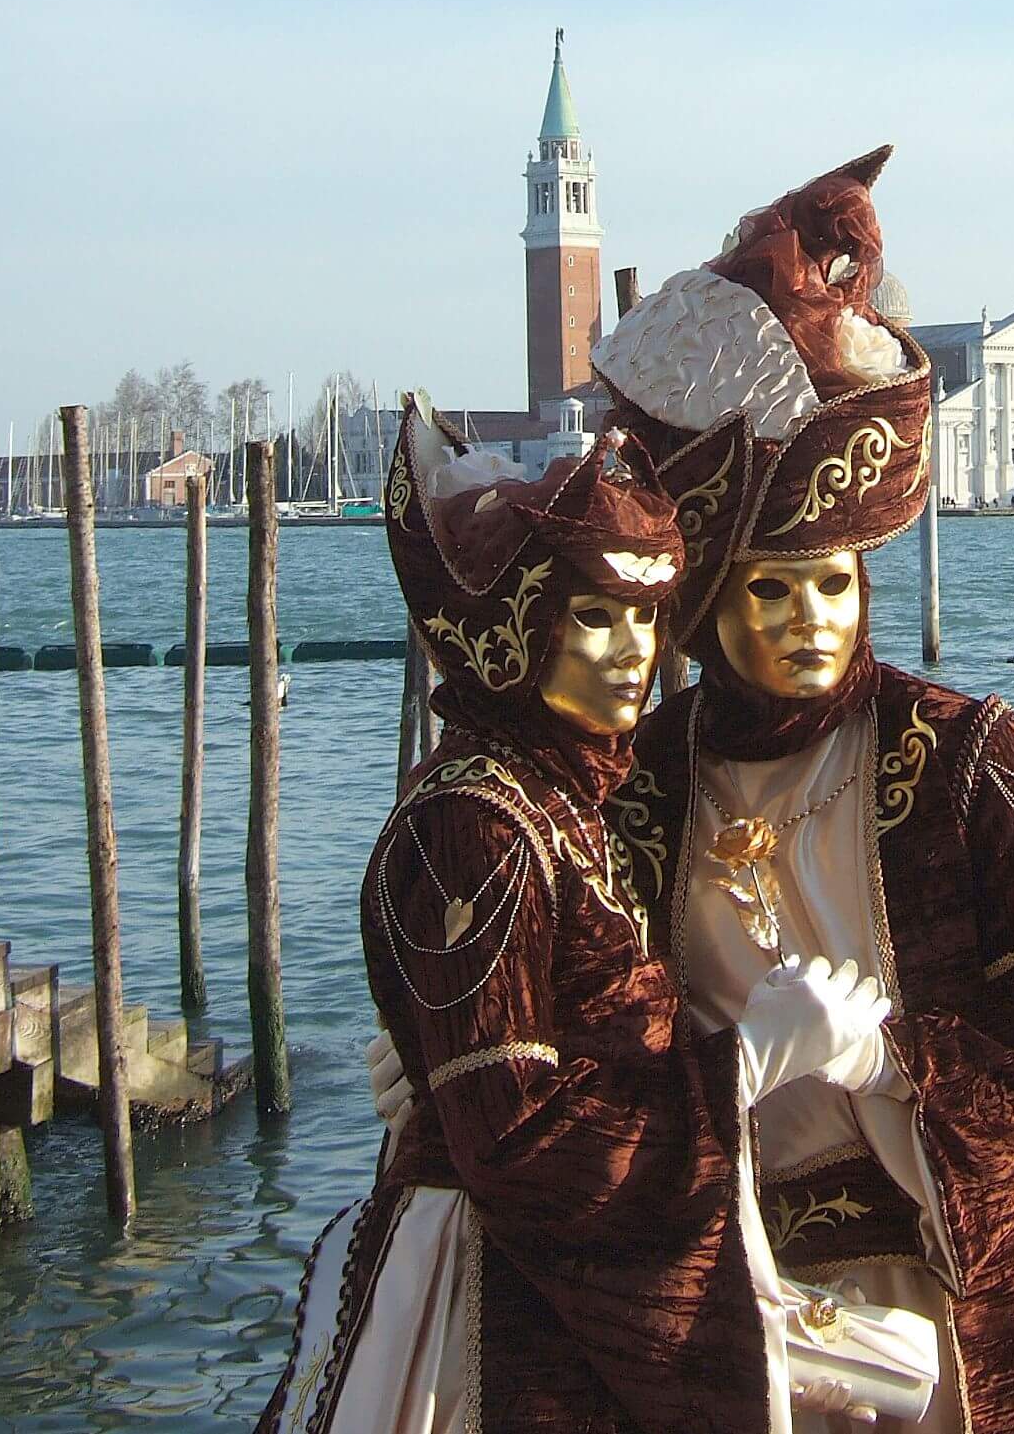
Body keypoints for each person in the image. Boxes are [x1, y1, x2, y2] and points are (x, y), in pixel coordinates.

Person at [591, 150, 1014, 1433]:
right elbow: (595, 1011)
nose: (809, 623)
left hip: (944, 1277)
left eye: (833, 586)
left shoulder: (960, 751)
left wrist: (891, 1059)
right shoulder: (647, 777)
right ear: (708, 609)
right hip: (731, 1270)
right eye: (771, 591)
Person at [259, 403, 892, 1433]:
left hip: (570, 1284)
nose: (632, 651)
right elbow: (514, 1140)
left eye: (647, 615)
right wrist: (749, 1060)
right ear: (514, 627)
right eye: (593, 614)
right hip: (499, 1307)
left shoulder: (558, 801)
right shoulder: (477, 821)